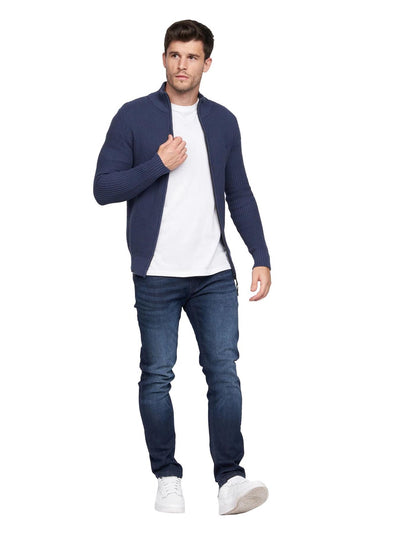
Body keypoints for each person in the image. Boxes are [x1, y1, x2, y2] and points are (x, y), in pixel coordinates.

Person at [93, 19, 272, 515]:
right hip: (156, 274)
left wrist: (260, 256)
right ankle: (167, 476)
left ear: (207, 63)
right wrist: (158, 164)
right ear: (164, 58)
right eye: (174, 54)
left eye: (192, 57)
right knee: (156, 376)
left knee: (224, 375)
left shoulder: (223, 121)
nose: (182, 65)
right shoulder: (133, 116)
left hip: (214, 273)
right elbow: (103, 188)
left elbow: (239, 193)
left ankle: (230, 479)